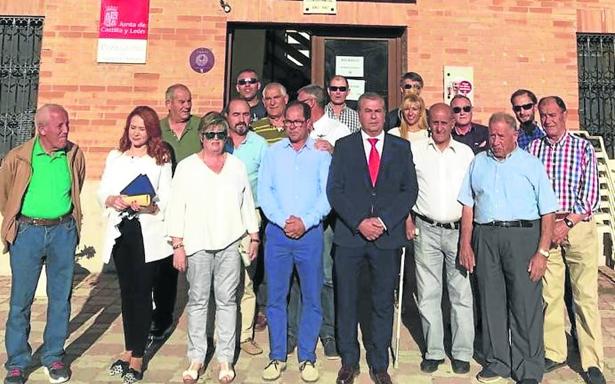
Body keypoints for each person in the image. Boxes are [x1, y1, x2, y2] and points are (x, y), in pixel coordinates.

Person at [458, 112, 558, 384]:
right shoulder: (477, 163)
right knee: (491, 301)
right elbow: (468, 205)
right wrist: (465, 243)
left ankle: (528, 368)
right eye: (492, 134)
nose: (495, 140)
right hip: (486, 236)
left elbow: (548, 211)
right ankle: (498, 361)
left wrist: (542, 252)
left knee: (525, 304)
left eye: (501, 135)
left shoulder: (531, 165)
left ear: (515, 136)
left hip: (523, 237)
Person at [328, 92, 418, 384]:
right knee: (347, 301)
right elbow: (335, 190)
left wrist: (382, 221)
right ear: (360, 113)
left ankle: (379, 363)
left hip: (386, 238)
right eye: (367, 111)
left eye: (379, 110)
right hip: (350, 238)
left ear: (384, 114)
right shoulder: (344, 147)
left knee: (381, 302)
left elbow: (409, 191)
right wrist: (358, 222)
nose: (374, 116)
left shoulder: (400, 147)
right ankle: (348, 362)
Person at [166, 113, 259, 384]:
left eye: (220, 134)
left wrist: (254, 236)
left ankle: (225, 358)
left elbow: (246, 202)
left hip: (230, 242)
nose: (215, 140)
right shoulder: (186, 167)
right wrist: (177, 245)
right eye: (210, 135)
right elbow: (176, 206)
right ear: (201, 137)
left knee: (228, 301)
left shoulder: (237, 166)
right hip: (196, 244)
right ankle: (196, 356)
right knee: (197, 301)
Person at [1, 104, 86, 384]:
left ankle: (53, 356)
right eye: (60, 126)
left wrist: (70, 223)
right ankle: (16, 362)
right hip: (28, 233)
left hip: (63, 231)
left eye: (67, 124)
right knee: (20, 302)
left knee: (60, 299)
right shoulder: (19, 157)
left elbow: (77, 185)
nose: (66, 130)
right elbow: (5, 195)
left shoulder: (73, 154)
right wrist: (17, 222)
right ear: (42, 129)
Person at [528, 96, 605, 384]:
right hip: (548, 226)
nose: (547, 120)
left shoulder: (582, 147)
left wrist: (568, 222)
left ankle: (592, 361)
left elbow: (591, 196)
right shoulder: (534, 149)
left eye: (552, 114)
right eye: (543, 116)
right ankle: (555, 351)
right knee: (550, 295)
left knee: (585, 297)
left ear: (564, 114)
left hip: (578, 226)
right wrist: (550, 226)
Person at [97, 106, 173, 384]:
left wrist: (151, 207)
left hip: (147, 232)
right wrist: (111, 199)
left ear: (151, 130)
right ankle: (129, 348)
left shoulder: (161, 159)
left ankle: (139, 355)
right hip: (121, 230)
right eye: (132, 127)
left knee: (142, 293)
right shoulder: (116, 157)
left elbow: (167, 196)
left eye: (142, 128)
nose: (136, 133)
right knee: (127, 293)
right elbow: (102, 189)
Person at [258, 101, 331, 382]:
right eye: (288, 122)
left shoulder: (321, 155)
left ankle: (307, 357)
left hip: (310, 234)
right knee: (276, 298)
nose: (292, 126)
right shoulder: (273, 153)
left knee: (312, 297)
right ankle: (277, 356)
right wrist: (282, 221)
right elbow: (265, 192)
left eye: (297, 122)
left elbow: (326, 195)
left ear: (308, 122)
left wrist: (305, 222)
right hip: (278, 233)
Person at [405, 103, 474, 375]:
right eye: (435, 122)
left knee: (461, 294)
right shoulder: (416, 151)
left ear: (453, 123)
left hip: (458, 232)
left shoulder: (466, 154)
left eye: (445, 122)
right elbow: (406, 188)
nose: (440, 127)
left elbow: (471, 200)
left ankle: (461, 352)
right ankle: (434, 351)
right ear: (429, 122)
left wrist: (467, 240)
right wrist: (407, 220)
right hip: (426, 230)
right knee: (428, 293)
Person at [285, 85, 350, 359]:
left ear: (310, 103)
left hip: (324, 218)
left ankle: (329, 333)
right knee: (296, 277)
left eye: (300, 103)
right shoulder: (296, 131)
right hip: (296, 215)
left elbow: (351, 166)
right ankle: (293, 333)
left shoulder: (338, 130)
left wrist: (334, 150)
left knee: (324, 276)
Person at [151, 84, 202, 341]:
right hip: (165, 208)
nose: (186, 106)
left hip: (197, 206)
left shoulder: (201, 127)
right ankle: (162, 318)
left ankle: (202, 320)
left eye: (189, 101)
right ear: (168, 103)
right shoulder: (156, 130)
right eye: (181, 101)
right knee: (166, 267)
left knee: (200, 264)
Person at [223, 98, 268, 356]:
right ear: (227, 116)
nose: (241, 119)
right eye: (236, 114)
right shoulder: (218, 143)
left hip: (251, 216)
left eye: (245, 114)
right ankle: (218, 335)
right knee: (222, 280)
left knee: (247, 280)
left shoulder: (260, 145)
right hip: (221, 217)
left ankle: (245, 336)